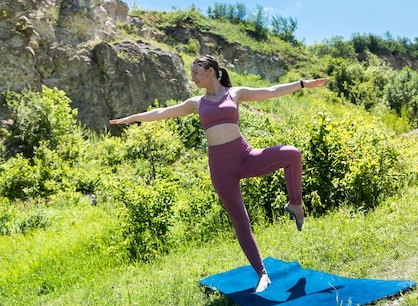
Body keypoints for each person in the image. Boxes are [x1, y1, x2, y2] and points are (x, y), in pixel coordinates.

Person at [110, 55, 328, 293]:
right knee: (241, 222)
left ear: (210, 71)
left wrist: (303, 84)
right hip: (222, 169)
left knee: (293, 154)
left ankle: (295, 204)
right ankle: (262, 274)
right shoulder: (196, 103)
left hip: (245, 157)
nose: (192, 78)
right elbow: (163, 112)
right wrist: (133, 118)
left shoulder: (235, 93)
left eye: (196, 73)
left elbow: (272, 90)